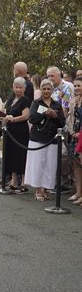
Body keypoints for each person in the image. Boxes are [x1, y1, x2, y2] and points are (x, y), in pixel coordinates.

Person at [25, 79, 66, 201]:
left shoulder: (56, 105)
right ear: (41, 90)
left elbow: (62, 122)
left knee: (50, 165)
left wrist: (55, 115)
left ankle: (45, 188)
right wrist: (44, 113)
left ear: (52, 90)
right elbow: (32, 118)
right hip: (38, 138)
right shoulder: (36, 103)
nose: (46, 91)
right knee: (38, 164)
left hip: (52, 139)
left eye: (49, 89)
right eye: (44, 89)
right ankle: (38, 189)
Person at [2, 77, 31, 193]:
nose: (18, 90)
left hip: (20, 130)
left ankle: (24, 182)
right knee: (11, 154)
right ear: (13, 87)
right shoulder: (10, 99)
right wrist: (4, 117)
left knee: (21, 155)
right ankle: (14, 181)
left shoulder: (26, 100)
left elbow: (26, 116)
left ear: (24, 88)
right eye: (16, 87)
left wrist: (13, 119)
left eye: (20, 87)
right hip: (10, 130)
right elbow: (5, 111)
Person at [66, 76, 82, 205]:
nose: (76, 88)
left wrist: (80, 133)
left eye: (79, 85)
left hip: (81, 136)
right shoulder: (73, 100)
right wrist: (72, 132)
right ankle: (78, 192)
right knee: (76, 165)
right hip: (74, 136)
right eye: (75, 86)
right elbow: (69, 118)